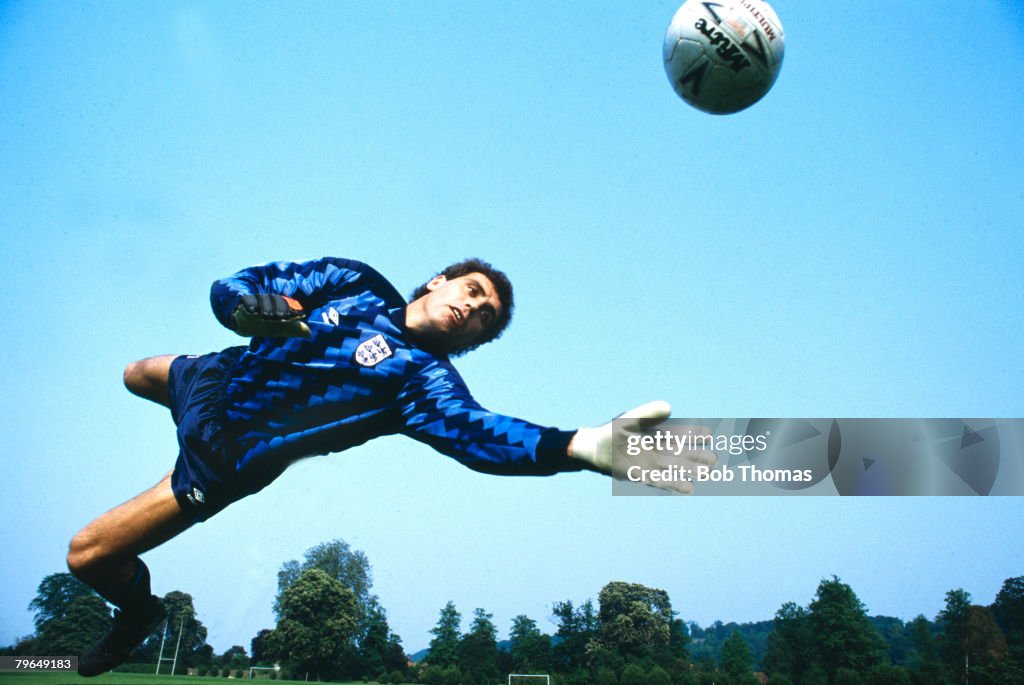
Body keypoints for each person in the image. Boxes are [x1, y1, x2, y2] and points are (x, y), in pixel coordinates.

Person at [67, 256, 713, 677]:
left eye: (483, 321)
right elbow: (243, 285)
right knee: (133, 373)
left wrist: (575, 446)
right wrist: (249, 308)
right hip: (212, 376)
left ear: (468, 345)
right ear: (438, 281)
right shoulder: (356, 282)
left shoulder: (420, 382)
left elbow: (478, 434)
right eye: (472, 292)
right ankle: (174, 397)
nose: (473, 309)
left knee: (87, 555)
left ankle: (138, 609)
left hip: (222, 458)